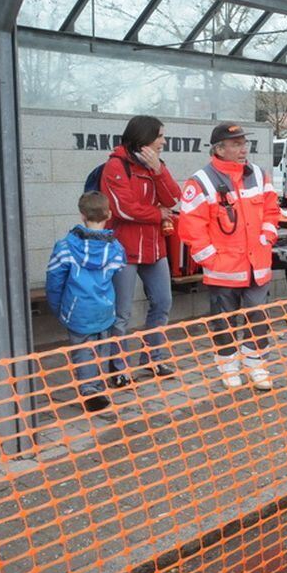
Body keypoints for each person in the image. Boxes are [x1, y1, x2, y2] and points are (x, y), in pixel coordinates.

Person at [179, 122, 281, 391]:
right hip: (223, 270)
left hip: (256, 265)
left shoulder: (259, 175)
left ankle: (256, 366)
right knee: (223, 322)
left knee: (257, 319)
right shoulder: (200, 181)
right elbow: (191, 227)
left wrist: (267, 237)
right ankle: (228, 367)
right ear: (219, 149)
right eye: (236, 144)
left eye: (244, 144)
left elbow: (272, 210)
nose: (243, 149)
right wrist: (211, 259)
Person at [101, 115, 181, 383]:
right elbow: (122, 209)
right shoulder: (115, 165)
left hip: (154, 247)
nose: (163, 141)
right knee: (121, 313)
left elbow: (173, 198)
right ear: (144, 137)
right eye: (160, 136)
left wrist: (159, 171)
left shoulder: (155, 165)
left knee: (162, 303)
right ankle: (118, 368)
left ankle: (153, 359)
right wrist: (159, 214)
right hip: (123, 249)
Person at [45, 192, 126, 412]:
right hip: (105, 309)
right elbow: (118, 278)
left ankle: (89, 391)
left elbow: (54, 281)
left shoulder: (64, 247)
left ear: (82, 215)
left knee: (82, 349)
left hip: (77, 310)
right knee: (102, 347)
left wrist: (59, 308)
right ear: (109, 214)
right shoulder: (117, 249)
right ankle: (98, 387)